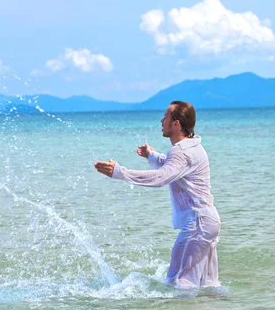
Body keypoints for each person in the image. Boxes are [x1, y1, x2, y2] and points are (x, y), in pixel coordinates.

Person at [94, 101, 221, 288]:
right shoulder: (193, 147)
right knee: (208, 285)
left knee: (179, 282)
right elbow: (173, 167)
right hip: (207, 222)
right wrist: (151, 156)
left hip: (198, 224)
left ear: (176, 123)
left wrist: (120, 172)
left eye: (166, 117)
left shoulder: (181, 151)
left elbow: (162, 177)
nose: (162, 121)